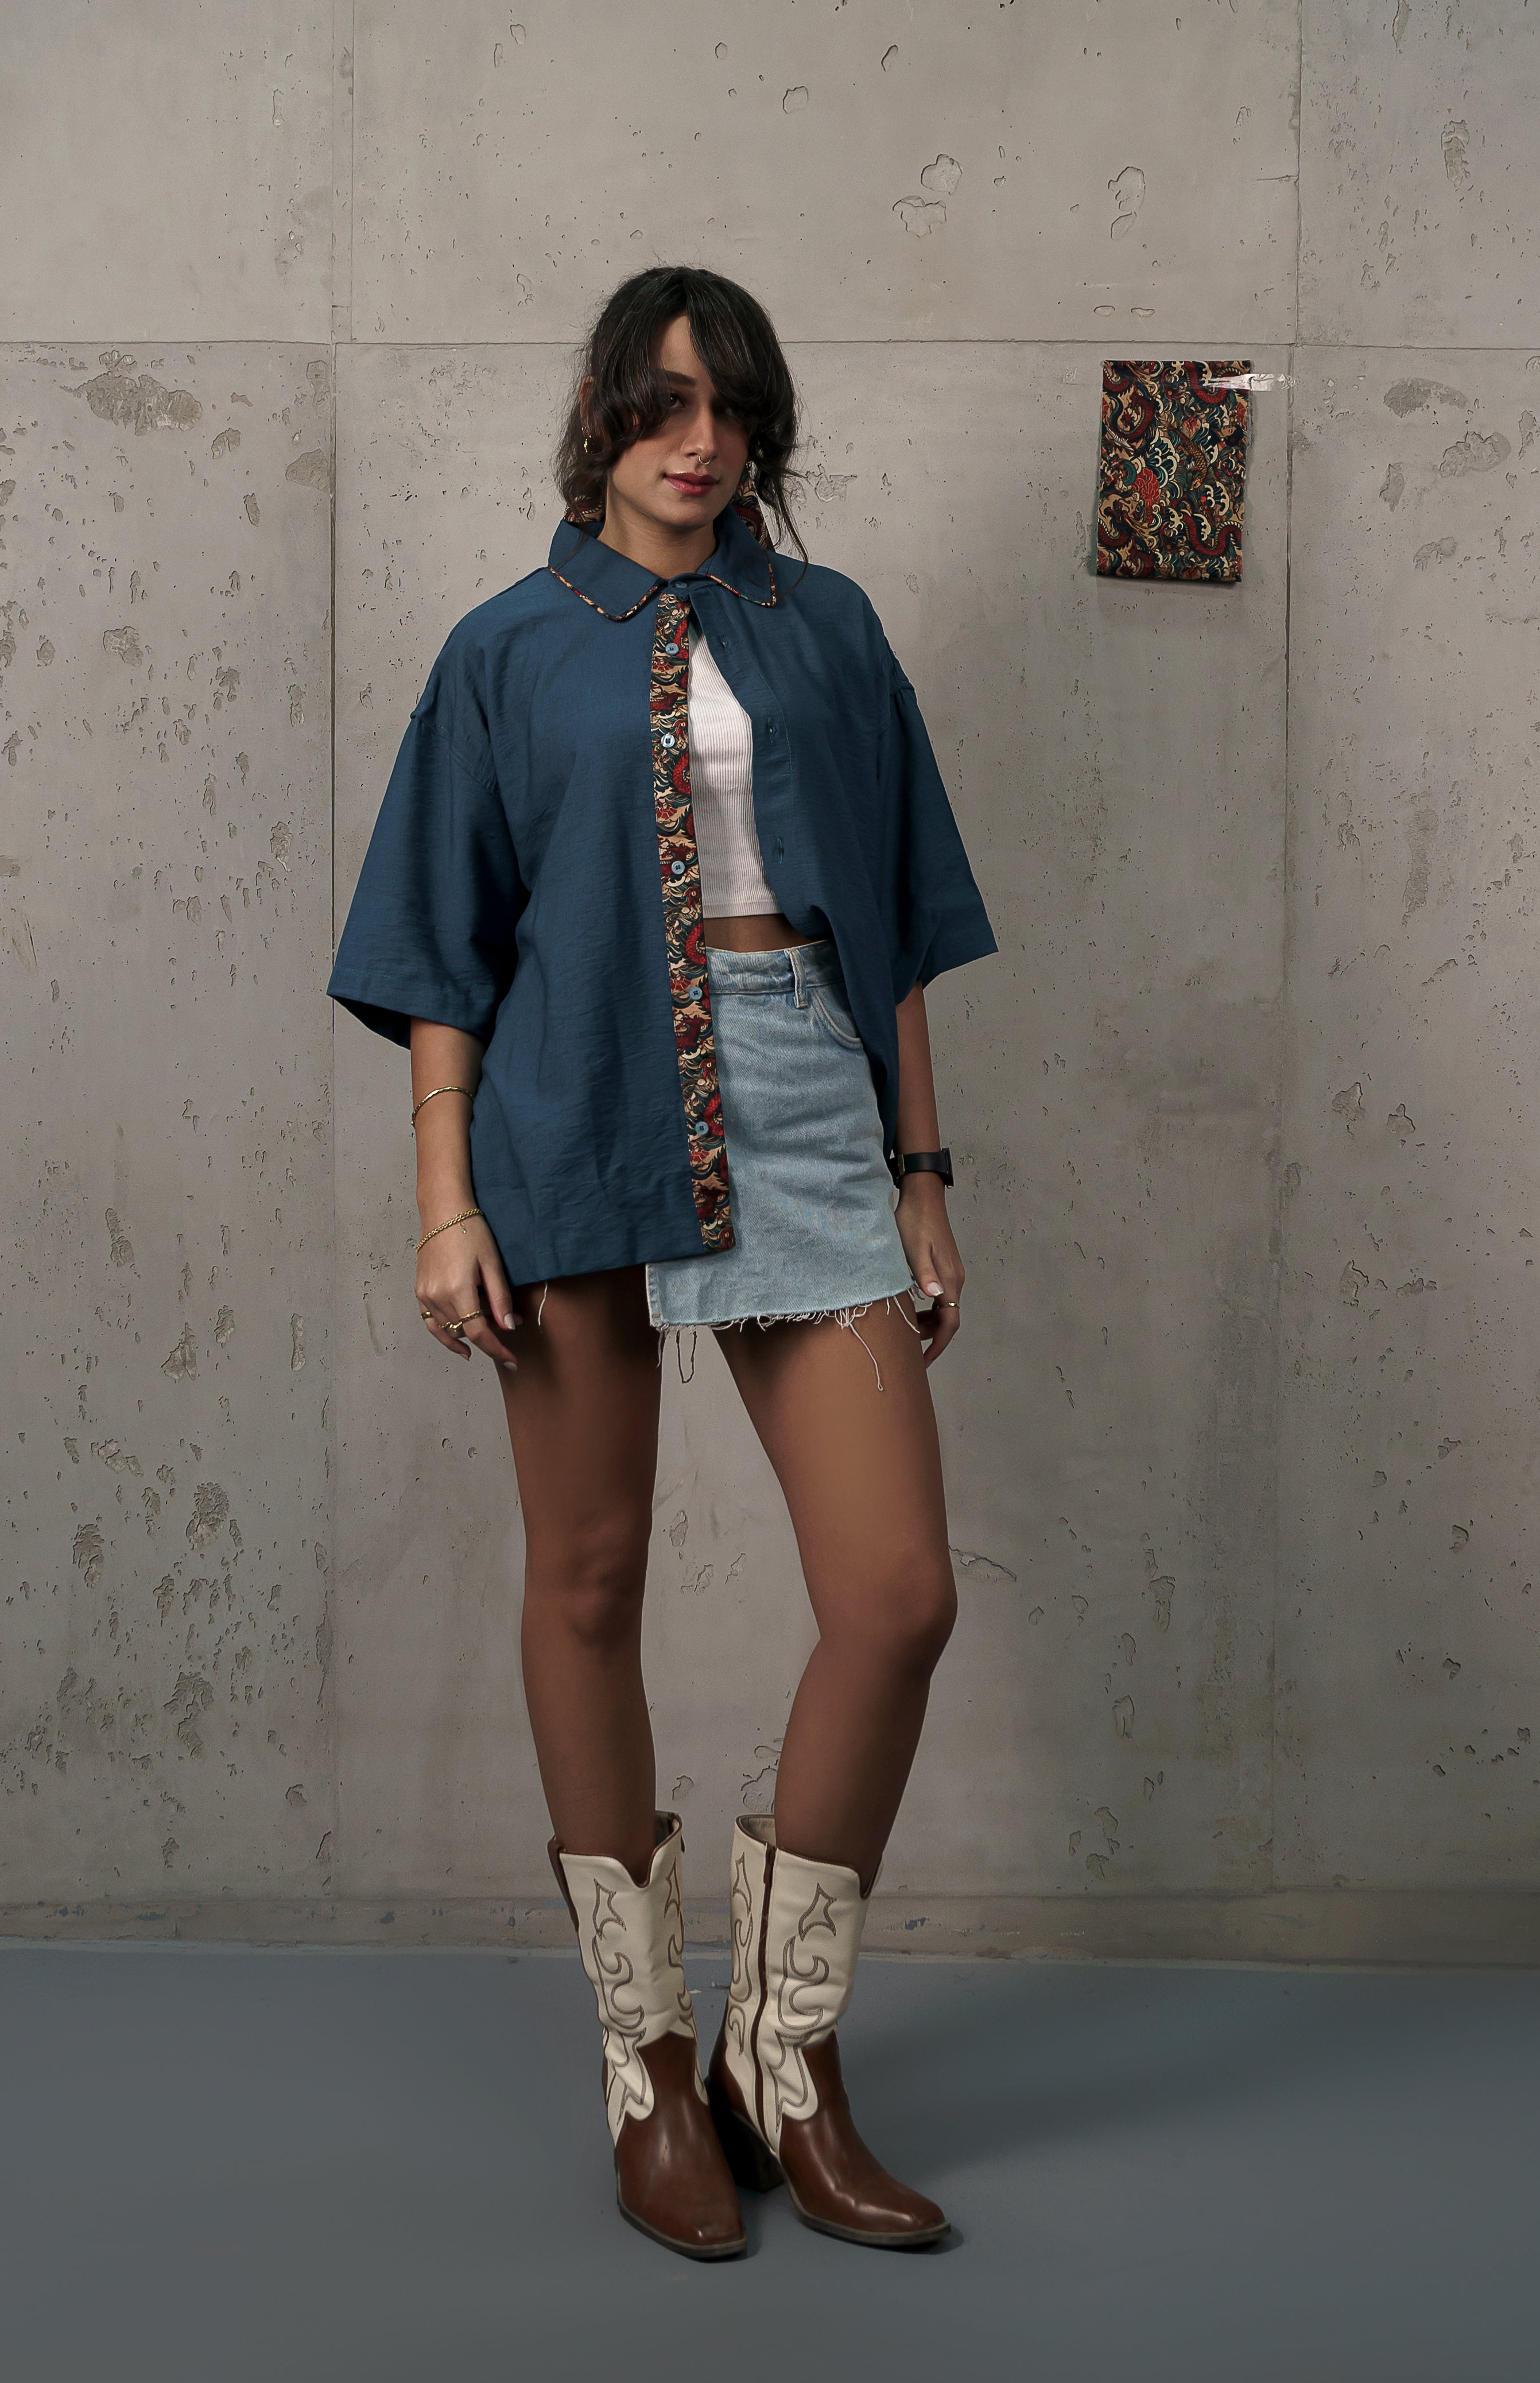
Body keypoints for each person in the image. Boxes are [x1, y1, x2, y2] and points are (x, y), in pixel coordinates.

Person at [328, 265, 996, 2258]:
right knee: (590, 1577)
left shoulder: (830, 625)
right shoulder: (504, 648)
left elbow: (897, 915)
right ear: (605, 415)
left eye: (733, 409)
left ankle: (786, 2056)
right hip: (575, 1107)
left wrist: (922, 1169)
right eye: (665, 403)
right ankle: (646, 2064)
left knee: (898, 1594)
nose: (701, 443)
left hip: (805, 1098)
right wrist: (444, 1199)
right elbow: (443, 947)